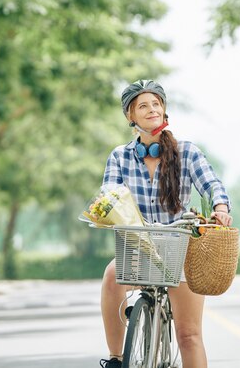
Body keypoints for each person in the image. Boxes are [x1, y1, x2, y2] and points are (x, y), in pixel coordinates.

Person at [99, 79, 232, 368]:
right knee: (112, 276)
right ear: (130, 116)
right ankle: (115, 358)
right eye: (143, 106)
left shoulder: (187, 152)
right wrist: (106, 209)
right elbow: (108, 193)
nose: (151, 110)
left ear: (164, 110)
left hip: (179, 247)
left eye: (156, 104)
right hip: (137, 244)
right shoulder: (119, 157)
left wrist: (220, 207)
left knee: (189, 335)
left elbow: (211, 184)